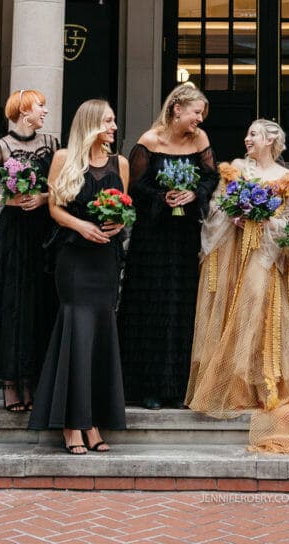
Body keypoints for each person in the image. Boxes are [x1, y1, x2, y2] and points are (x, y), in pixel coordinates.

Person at [185, 119, 289, 456]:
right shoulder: (237, 170)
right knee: (237, 313)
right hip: (236, 257)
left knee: (259, 312)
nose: (247, 139)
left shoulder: (287, 179)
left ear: (272, 140)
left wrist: (263, 218)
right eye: (247, 134)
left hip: (267, 257)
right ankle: (235, 383)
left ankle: (263, 383)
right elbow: (214, 207)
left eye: (254, 134)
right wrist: (234, 215)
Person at [28, 99, 129, 453]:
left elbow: (126, 208)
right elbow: (54, 208)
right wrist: (82, 226)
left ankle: (93, 421)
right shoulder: (63, 159)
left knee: (100, 332)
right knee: (77, 331)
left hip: (105, 258)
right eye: (108, 121)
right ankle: (72, 425)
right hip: (73, 257)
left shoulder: (121, 163)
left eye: (114, 121)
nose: (114, 127)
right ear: (91, 124)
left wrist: (118, 224)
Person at [117, 82, 219, 409]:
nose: (200, 120)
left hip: (185, 234)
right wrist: (163, 196)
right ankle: (147, 386)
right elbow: (135, 186)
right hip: (153, 235)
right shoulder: (149, 142)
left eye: (202, 114)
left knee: (182, 303)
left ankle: (177, 386)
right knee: (152, 304)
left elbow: (211, 177)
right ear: (177, 109)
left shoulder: (200, 140)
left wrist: (194, 193)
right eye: (196, 113)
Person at [0, 89, 58, 412]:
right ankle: (10, 382)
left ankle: (33, 379)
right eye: (40, 106)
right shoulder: (0, 147)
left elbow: (63, 184)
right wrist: (7, 200)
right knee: (12, 303)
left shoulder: (51, 144)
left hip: (43, 233)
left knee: (40, 301)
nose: (45, 111)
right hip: (13, 235)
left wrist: (45, 197)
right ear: (25, 111)